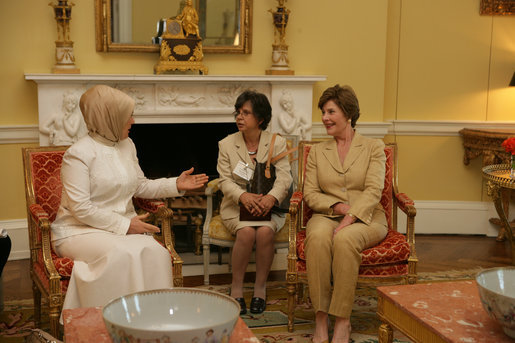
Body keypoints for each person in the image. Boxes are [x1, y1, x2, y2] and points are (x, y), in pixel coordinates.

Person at [51, 85, 209, 315]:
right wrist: (126, 225)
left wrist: (176, 184)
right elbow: (81, 209)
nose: (133, 121)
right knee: (121, 254)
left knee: (157, 253)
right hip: (78, 230)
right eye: (128, 116)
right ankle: (107, 321)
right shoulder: (78, 154)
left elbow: (140, 185)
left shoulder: (127, 145)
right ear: (110, 118)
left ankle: (152, 319)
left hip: (121, 227)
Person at [303, 85, 388, 343]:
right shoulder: (317, 152)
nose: (325, 118)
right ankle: (320, 318)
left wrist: (351, 217)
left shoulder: (373, 147)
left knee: (345, 239)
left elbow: (374, 189)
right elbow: (310, 193)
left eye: (331, 111)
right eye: (323, 112)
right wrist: (339, 209)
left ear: (348, 114)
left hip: (368, 217)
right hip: (326, 215)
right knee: (317, 238)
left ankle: (342, 320)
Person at [217, 90, 292, 315]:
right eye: (238, 112)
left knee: (265, 233)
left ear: (260, 118)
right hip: (237, 207)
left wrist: (271, 198)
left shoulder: (277, 143)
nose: (240, 117)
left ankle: (260, 288)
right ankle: (237, 288)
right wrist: (243, 196)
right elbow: (224, 180)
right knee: (247, 232)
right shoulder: (226, 144)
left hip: (270, 207)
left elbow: (285, 177)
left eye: (246, 113)